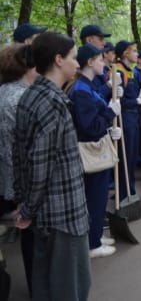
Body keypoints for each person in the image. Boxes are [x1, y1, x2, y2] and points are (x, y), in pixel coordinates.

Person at [13, 32, 91, 301]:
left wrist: (28, 206)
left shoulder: (32, 96)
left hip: (49, 216)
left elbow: (23, 157)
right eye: (73, 58)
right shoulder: (52, 103)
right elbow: (38, 165)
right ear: (58, 60)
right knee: (69, 287)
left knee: (46, 284)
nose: (77, 64)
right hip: (62, 216)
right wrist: (29, 209)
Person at [67, 43, 122, 257]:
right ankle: (92, 244)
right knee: (95, 197)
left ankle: (96, 235)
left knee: (97, 195)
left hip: (96, 147)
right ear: (90, 62)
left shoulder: (86, 86)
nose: (104, 64)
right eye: (100, 60)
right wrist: (109, 115)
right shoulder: (81, 90)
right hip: (90, 151)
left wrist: (109, 126)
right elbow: (89, 127)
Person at [0, 43, 38, 298]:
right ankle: (39, 286)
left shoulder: (4, 92)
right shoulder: (20, 98)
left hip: (9, 178)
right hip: (22, 179)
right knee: (33, 236)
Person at [113, 40, 141, 200]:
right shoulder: (118, 71)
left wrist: (140, 97)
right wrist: (136, 101)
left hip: (134, 117)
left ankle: (131, 191)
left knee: (132, 157)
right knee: (126, 157)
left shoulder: (132, 72)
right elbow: (117, 100)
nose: (137, 54)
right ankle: (124, 194)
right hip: (125, 118)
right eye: (134, 51)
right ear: (125, 53)